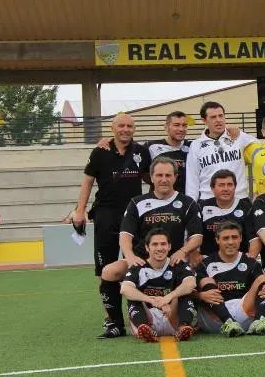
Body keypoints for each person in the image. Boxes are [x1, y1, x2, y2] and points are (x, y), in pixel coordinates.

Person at [66, 113, 151, 339]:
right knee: (104, 269)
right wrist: (80, 210)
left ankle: (140, 314)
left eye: (130, 126)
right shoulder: (100, 151)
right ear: (112, 128)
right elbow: (87, 182)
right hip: (106, 216)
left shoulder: (142, 152)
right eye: (121, 125)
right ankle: (112, 319)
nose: (125, 129)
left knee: (137, 263)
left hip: (134, 216)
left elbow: (152, 178)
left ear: (134, 129)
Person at [97, 158, 203, 337]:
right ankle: (115, 324)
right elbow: (125, 235)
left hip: (174, 261)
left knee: (197, 277)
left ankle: (192, 320)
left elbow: (197, 237)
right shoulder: (137, 202)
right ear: (151, 178)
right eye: (159, 175)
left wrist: (183, 251)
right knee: (109, 272)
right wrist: (130, 256)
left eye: (168, 175)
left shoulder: (187, 203)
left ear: (175, 177)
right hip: (142, 260)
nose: (164, 179)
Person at [196, 221, 265, 337]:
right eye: (226, 238)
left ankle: (259, 321)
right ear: (217, 240)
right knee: (207, 281)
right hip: (215, 318)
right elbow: (190, 293)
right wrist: (200, 296)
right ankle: (228, 322)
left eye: (234, 237)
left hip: (243, 312)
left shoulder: (251, 263)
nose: (230, 242)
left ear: (240, 239)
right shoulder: (205, 263)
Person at [120, 228, 197, 342]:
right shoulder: (138, 266)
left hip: (172, 318)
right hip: (148, 317)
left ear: (169, 246)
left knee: (186, 292)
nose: (160, 248)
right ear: (147, 248)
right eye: (155, 244)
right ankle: (145, 328)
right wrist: (151, 300)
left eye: (163, 244)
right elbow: (125, 289)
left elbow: (191, 283)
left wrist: (168, 298)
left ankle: (183, 327)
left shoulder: (177, 264)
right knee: (133, 296)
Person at [185, 101, 256, 201]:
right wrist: (191, 204)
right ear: (204, 120)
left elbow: (264, 149)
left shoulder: (238, 136)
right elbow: (192, 179)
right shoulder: (196, 145)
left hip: (239, 198)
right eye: (213, 117)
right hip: (209, 200)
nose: (218, 120)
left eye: (221, 116)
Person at [199, 169, 254, 258]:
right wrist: (195, 256)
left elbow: (254, 239)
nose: (225, 189)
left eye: (229, 185)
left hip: (238, 262)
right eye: (221, 185)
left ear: (235, 187)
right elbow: (194, 236)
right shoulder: (202, 207)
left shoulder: (246, 207)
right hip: (208, 261)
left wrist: (251, 258)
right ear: (212, 188)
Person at [145, 111, 193, 194]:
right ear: (166, 127)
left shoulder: (192, 146)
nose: (181, 129)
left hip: (186, 198)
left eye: (184, 125)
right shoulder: (151, 146)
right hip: (160, 198)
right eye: (176, 125)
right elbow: (143, 172)